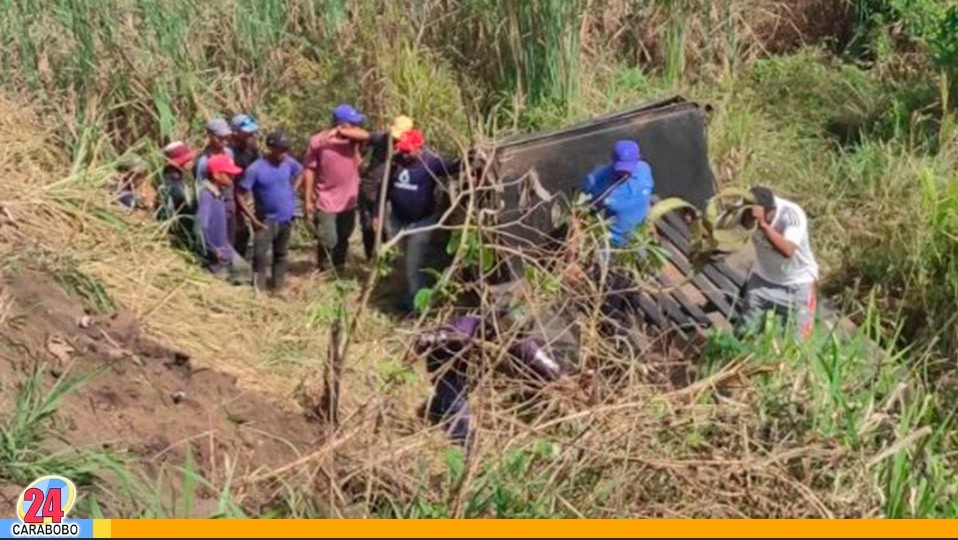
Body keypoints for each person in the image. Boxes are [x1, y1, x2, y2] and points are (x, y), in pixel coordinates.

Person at [373, 129, 462, 313]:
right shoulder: (395, 163)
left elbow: (454, 167)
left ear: (419, 148)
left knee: (414, 264)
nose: (404, 154)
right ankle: (411, 297)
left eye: (408, 150)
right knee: (406, 261)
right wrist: (377, 214)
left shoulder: (431, 163)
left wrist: (469, 157)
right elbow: (383, 191)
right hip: (398, 221)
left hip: (421, 223)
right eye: (402, 150)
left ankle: (417, 307)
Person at [738, 186, 819, 340]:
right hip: (762, 281)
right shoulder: (744, 209)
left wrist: (763, 225)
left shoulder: (792, 215)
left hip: (797, 285)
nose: (751, 221)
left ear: (770, 212)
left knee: (798, 342)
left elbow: (788, 251)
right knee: (746, 331)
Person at [302, 104, 369, 273]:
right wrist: (308, 199)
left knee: (343, 236)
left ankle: (338, 269)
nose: (356, 126)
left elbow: (366, 135)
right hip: (326, 198)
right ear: (341, 122)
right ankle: (324, 268)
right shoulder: (318, 141)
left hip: (349, 199)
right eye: (352, 123)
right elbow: (309, 170)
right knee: (328, 238)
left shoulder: (353, 139)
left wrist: (341, 132)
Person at [237, 131, 303, 293]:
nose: (284, 154)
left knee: (281, 254)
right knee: (260, 255)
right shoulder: (255, 169)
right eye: (280, 150)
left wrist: (292, 191)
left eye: (286, 149)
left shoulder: (288, 163)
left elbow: (301, 172)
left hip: (286, 218)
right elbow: (240, 194)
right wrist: (252, 218)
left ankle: (278, 287)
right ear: (270, 148)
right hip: (265, 220)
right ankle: (259, 289)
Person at [580, 140, 655, 267]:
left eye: (628, 167)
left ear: (638, 159)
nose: (623, 173)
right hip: (610, 244)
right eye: (620, 167)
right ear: (612, 160)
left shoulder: (644, 171)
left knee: (641, 274)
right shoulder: (596, 181)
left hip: (638, 240)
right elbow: (584, 208)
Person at [359, 115, 415, 261]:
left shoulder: (410, 147)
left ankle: (387, 259)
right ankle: (370, 257)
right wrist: (359, 160)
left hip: (390, 191)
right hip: (370, 187)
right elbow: (363, 138)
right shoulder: (380, 138)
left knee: (386, 227)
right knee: (367, 226)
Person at [195, 154, 251, 285]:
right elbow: (200, 226)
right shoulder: (207, 196)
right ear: (216, 175)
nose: (233, 177)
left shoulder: (218, 193)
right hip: (217, 257)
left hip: (225, 249)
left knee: (244, 271)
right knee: (228, 281)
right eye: (228, 174)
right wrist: (213, 250)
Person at [194, 118, 237, 248]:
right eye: (220, 137)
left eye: (226, 137)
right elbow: (201, 186)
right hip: (214, 201)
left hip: (227, 198)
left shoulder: (229, 152)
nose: (224, 140)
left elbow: (231, 175)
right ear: (210, 135)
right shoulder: (203, 161)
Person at [229, 113, 261, 259]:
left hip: (248, 194)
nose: (251, 134)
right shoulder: (229, 152)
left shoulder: (252, 148)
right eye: (247, 132)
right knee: (237, 231)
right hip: (232, 195)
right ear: (235, 133)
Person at [159, 141, 198, 251]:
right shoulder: (174, 185)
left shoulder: (177, 178)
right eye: (187, 159)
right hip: (182, 235)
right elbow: (183, 211)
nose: (191, 162)